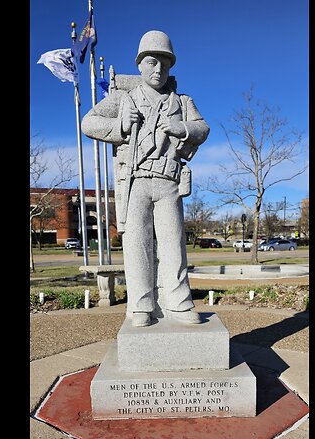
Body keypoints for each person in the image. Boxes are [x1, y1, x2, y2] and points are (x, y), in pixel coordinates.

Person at [81, 30, 210, 327]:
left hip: (168, 181)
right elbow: (89, 122)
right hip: (135, 180)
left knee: (172, 243)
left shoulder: (181, 101)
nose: (158, 69)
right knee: (136, 243)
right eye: (152, 62)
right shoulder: (123, 98)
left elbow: (203, 129)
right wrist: (120, 124)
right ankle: (140, 305)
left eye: (164, 63)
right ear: (139, 65)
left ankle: (177, 302)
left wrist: (184, 130)